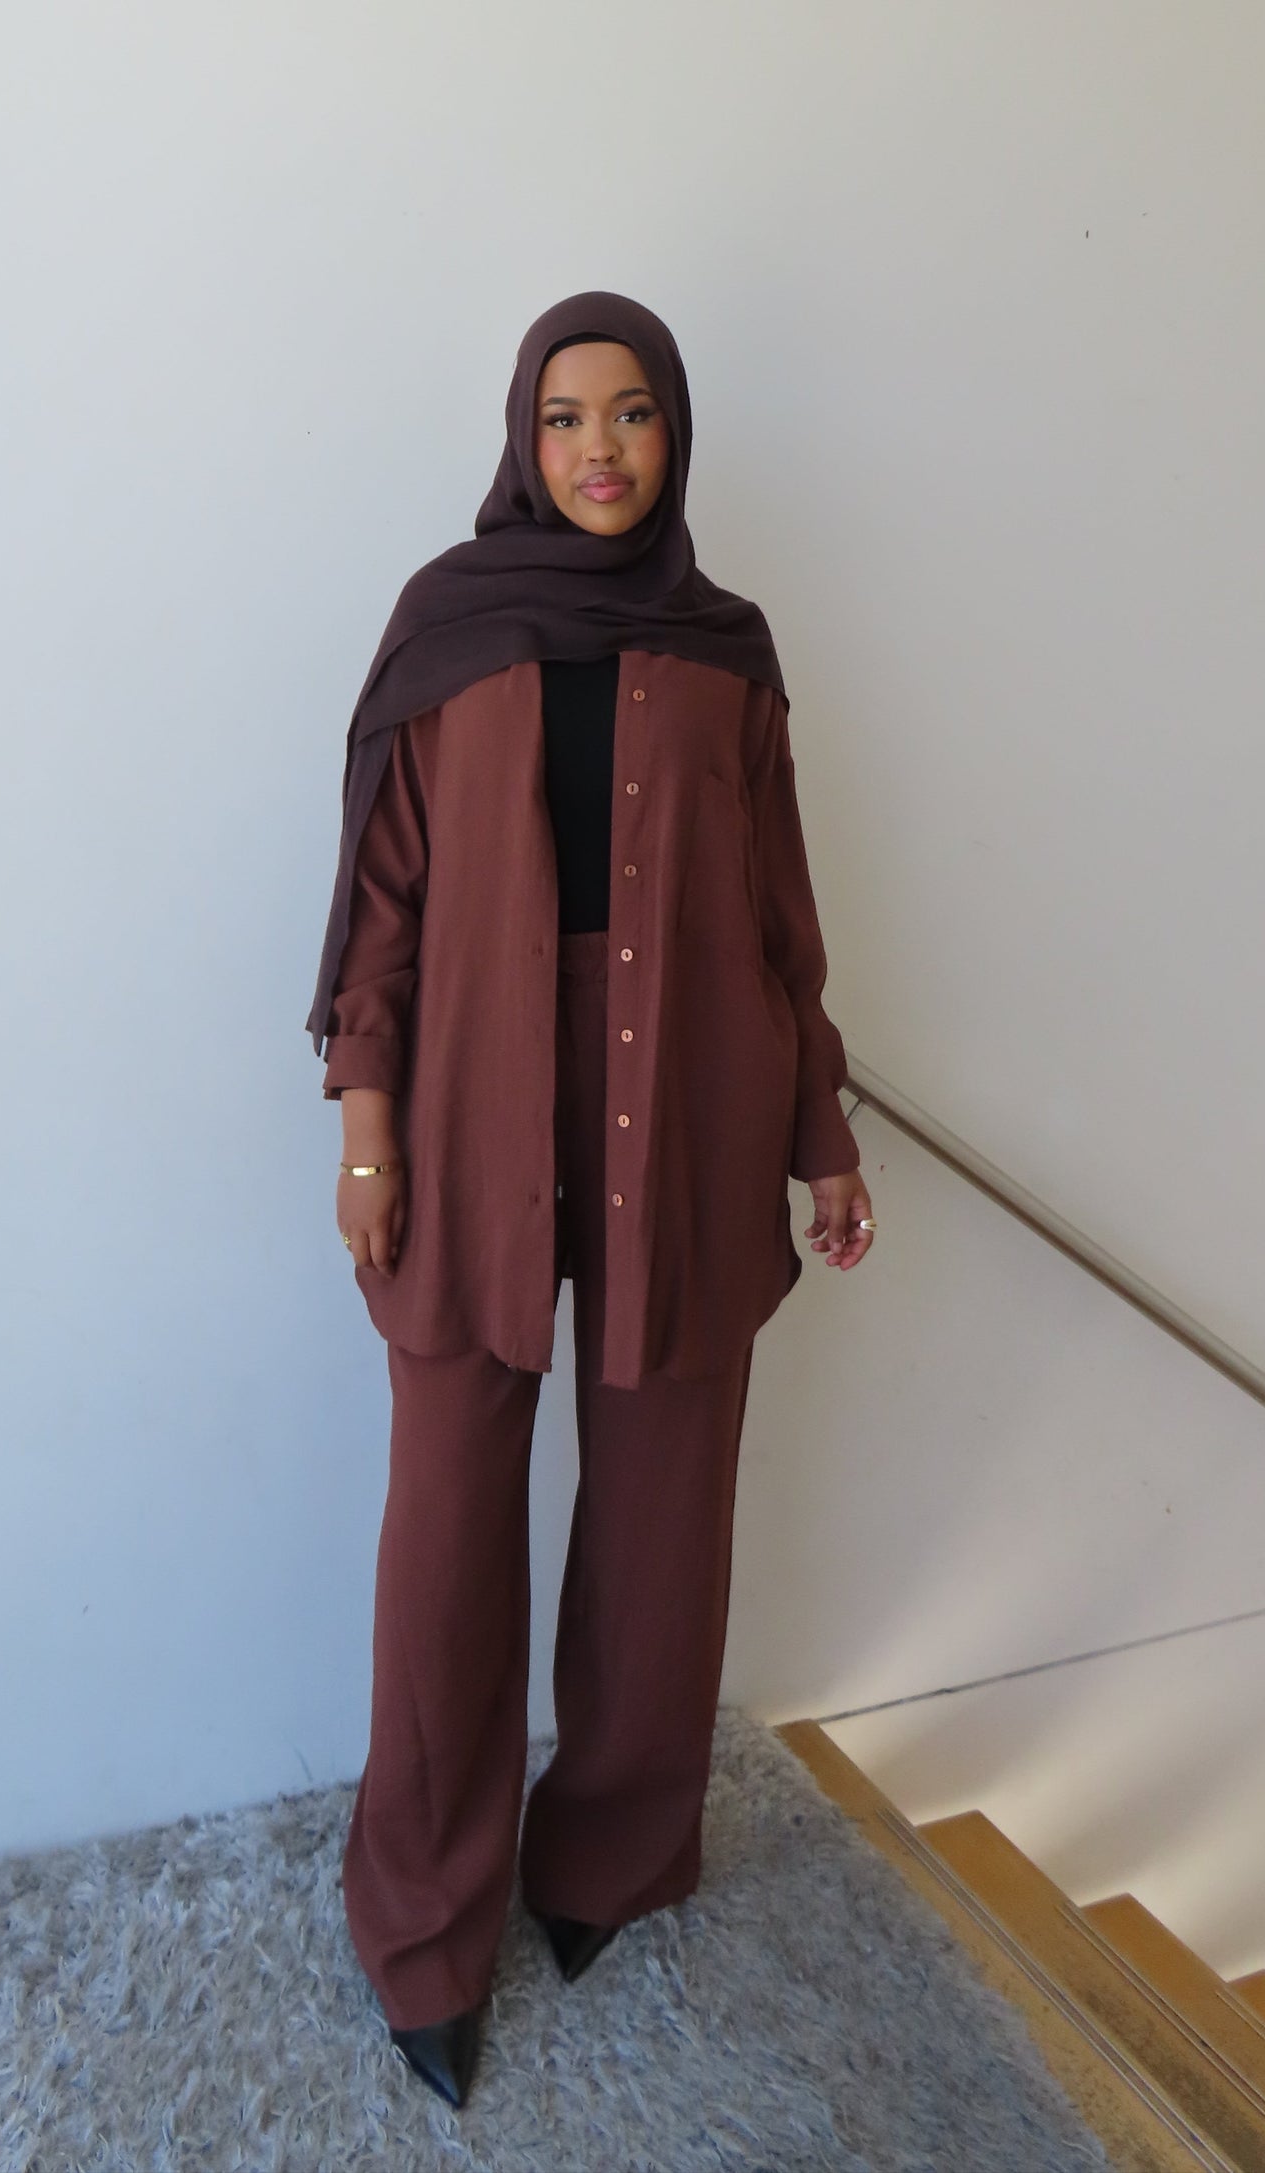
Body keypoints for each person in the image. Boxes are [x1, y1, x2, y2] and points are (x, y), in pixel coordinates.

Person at [305, 290, 875, 2110]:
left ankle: (607, 1854)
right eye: (565, 416)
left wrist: (822, 1131)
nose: (599, 449)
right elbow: (379, 913)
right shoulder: (446, 628)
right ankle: (422, 1919)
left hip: (688, 1112)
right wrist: (369, 1135)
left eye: (631, 413)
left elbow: (779, 919)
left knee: (659, 1526)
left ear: (673, 433)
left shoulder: (728, 652)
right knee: (446, 1534)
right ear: (520, 435)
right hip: (467, 1115)